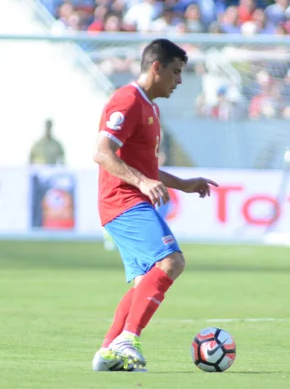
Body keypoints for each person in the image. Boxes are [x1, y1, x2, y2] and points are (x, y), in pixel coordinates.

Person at [92, 38, 218, 372]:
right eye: (175, 72)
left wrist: (184, 184)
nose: (179, 81)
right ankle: (128, 339)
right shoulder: (128, 100)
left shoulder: (151, 107)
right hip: (122, 200)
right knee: (171, 261)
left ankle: (108, 352)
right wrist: (142, 183)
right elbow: (101, 152)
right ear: (156, 67)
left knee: (145, 281)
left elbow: (148, 169)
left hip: (130, 200)